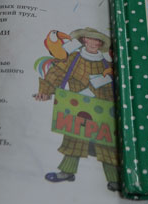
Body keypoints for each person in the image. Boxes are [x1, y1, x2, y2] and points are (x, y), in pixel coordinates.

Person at [34, 27, 118, 191]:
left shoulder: (107, 64)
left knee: (107, 145)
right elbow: (56, 73)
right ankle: (67, 172)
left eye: (97, 40)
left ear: (100, 44)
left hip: (102, 109)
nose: (93, 42)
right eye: (90, 38)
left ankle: (114, 179)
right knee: (74, 140)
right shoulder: (73, 59)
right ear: (84, 40)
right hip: (78, 106)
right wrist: (45, 91)